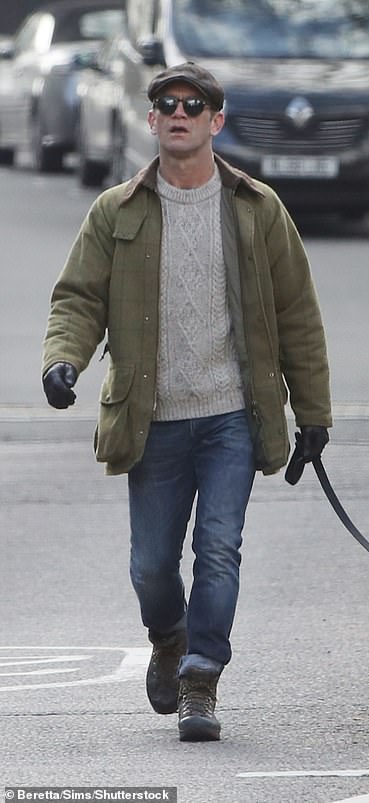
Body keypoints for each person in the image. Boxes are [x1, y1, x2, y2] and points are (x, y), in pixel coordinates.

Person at [41, 62, 332, 743]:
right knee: (150, 567)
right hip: (152, 420)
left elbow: (298, 314)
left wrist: (313, 413)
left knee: (220, 550)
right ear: (152, 120)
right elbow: (78, 297)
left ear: (214, 121)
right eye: (167, 104)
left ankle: (200, 678)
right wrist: (64, 360)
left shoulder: (257, 210)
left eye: (193, 104)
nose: (179, 112)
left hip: (232, 416)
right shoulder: (116, 211)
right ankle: (168, 636)